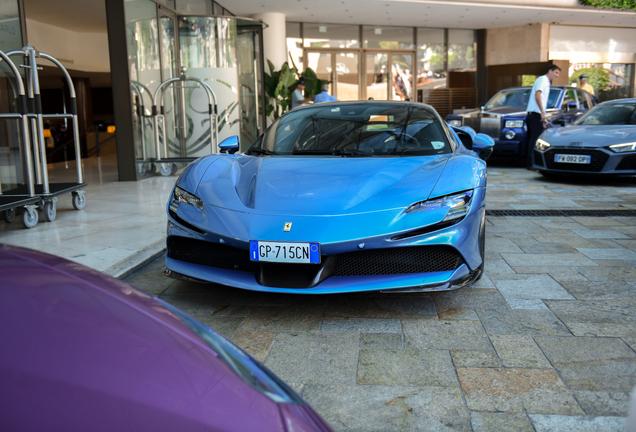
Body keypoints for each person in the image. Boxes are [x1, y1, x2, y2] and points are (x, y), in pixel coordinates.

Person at [525, 65, 561, 169]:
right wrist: (542, 113)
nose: (557, 75)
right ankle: (530, 164)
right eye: (556, 73)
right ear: (550, 71)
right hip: (535, 114)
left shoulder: (546, 82)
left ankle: (533, 163)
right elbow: (538, 95)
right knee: (534, 140)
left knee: (536, 139)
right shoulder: (543, 80)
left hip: (537, 114)